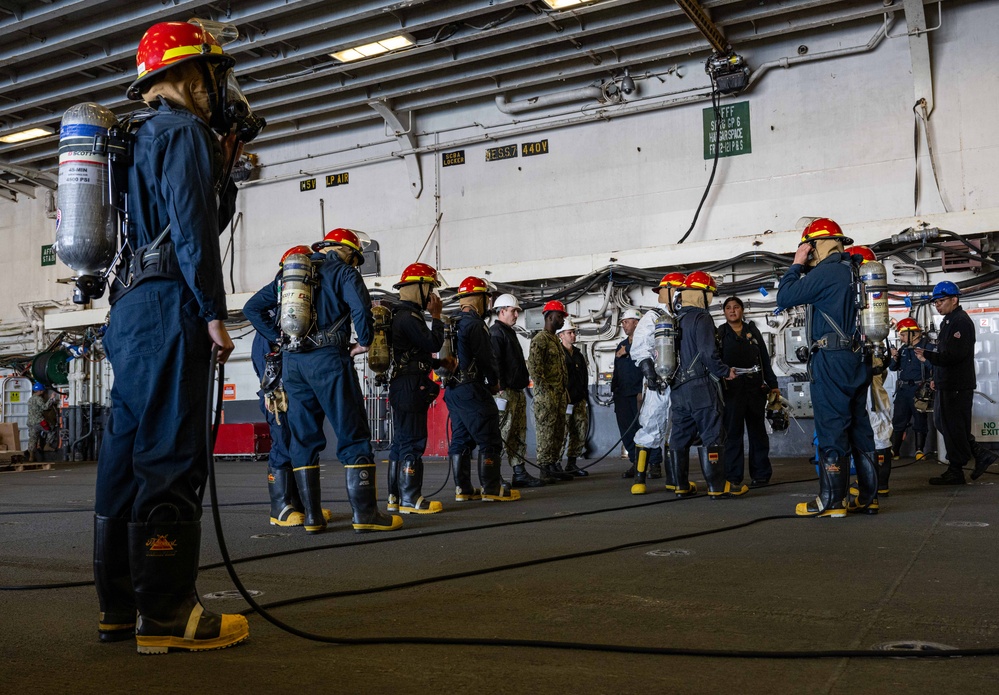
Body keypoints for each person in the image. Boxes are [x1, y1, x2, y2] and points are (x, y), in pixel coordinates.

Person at [93, 20, 253, 653]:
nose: (220, 89)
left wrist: (226, 173)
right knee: (170, 453)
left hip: (127, 311)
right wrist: (212, 312)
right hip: (168, 306)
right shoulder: (184, 130)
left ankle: (119, 606)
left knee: (124, 457)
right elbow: (191, 229)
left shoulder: (132, 140)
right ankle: (167, 617)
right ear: (190, 75)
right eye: (215, 76)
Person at [245, 228, 403, 536]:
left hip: (293, 364)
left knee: (302, 439)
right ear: (347, 253)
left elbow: (252, 308)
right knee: (353, 433)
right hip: (329, 361)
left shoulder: (292, 273)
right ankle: (365, 514)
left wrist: (277, 337)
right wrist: (366, 341)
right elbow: (361, 311)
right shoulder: (343, 272)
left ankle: (313, 518)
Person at [775, 218, 877, 517]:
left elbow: (784, 297)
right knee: (860, 428)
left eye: (808, 247)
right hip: (858, 359)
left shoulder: (828, 271)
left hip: (832, 359)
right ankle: (869, 498)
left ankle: (832, 501)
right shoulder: (852, 270)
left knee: (832, 427)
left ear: (816, 245)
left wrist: (796, 264)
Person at [248, 246, 332, 528]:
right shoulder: (272, 323)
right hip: (279, 396)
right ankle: (280, 507)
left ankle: (302, 505)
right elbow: (266, 367)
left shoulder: (297, 319)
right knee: (282, 445)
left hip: (296, 393)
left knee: (301, 444)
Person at [444, 276, 520, 502]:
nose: (488, 303)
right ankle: (491, 487)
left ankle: (464, 489)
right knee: (489, 436)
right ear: (478, 298)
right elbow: (487, 358)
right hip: (472, 388)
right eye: (487, 297)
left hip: (453, 390)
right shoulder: (476, 324)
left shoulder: (454, 323)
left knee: (461, 438)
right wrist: (494, 382)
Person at [915, 281, 998, 483]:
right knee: (945, 424)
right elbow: (944, 353)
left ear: (954, 300)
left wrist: (928, 357)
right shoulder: (948, 322)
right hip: (947, 382)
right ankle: (978, 454)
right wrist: (936, 376)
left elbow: (954, 355)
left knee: (954, 426)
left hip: (958, 384)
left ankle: (957, 468)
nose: (938, 305)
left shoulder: (960, 322)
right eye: (936, 302)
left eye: (941, 301)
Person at [667, 272, 738, 499]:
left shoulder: (674, 319)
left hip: (677, 388)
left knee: (679, 435)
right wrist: (724, 371)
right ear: (701, 294)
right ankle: (717, 487)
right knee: (712, 433)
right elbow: (708, 352)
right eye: (710, 294)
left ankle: (680, 486)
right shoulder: (701, 318)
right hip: (700, 386)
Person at [384, 262, 446, 515]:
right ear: (418, 287)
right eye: (429, 287)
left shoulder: (399, 316)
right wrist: (437, 316)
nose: (432, 294)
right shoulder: (410, 317)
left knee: (400, 442)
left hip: (402, 383)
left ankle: (395, 497)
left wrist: (440, 363)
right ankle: (411, 499)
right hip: (411, 386)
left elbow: (414, 354)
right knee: (413, 441)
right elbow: (433, 341)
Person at [629, 272, 684, 495]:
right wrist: (649, 373)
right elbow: (640, 347)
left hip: (680, 381)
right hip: (658, 382)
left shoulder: (682, 317)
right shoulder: (652, 317)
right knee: (650, 425)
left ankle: (674, 479)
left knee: (676, 429)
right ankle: (639, 479)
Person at [716, 296, 780, 489]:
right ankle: (733, 476)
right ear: (724, 312)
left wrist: (773, 384)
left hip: (755, 390)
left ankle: (761, 474)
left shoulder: (753, 331)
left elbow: (764, 360)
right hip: (731, 391)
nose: (732, 311)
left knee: (757, 432)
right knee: (733, 434)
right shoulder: (720, 334)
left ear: (742, 310)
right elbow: (715, 363)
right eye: (728, 308)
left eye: (736, 307)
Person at [489, 294, 545, 487]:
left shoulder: (508, 332)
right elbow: (495, 362)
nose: (516, 315)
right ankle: (493, 475)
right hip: (505, 392)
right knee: (502, 434)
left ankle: (519, 472)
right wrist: (501, 389)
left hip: (517, 391)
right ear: (502, 311)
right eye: (513, 311)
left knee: (518, 434)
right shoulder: (496, 333)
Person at [527, 300, 574, 482]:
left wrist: (564, 391)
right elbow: (534, 368)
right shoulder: (540, 339)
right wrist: (544, 391)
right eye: (560, 316)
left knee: (558, 432)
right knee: (546, 431)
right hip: (547, 396)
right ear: (549, 317)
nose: (562, 320)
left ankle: (554, 464)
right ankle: (545, 468)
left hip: (560, 394)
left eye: (563, 317)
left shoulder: (555, 340)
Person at [888, 318, 930, 460]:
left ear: (915, 334)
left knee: (920, 419)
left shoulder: (926, 347)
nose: (901, 338)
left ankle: (919, 450)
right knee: (898, 419)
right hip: (903, 389)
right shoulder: (904, 349)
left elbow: (935, 366)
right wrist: (894, 358)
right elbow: (893, 368)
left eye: (903, 334)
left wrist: (924, 359)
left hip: (919, 389)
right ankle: (895, 450)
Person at [612, 309, 644, 477]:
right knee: (626, 431)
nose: (623, 325)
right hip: (622, 395)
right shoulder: (621, 345)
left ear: (636, 323)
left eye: (626, 321)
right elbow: (617, 371)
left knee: (644, 430)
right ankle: (635, 462)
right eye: (623, 322)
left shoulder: (644, 342)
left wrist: (629, 350)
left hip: (639, 395)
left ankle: (652, 463)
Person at [557, 318, 590, 477]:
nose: (573, 335)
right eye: (570, 332)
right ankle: (556, 464)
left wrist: (584, 396)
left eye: (574, 332)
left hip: (579, 399)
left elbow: (584, 375)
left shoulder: (578, 354)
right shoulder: (558, 354)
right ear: (561, 335)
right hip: (565, 401)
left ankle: (572, 463)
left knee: (579, 432)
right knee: (561, 433)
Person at [26, 382, 59, 462]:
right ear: (40, 391)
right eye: (42, 390)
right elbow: (45, 407)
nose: (43, 392)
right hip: (39, 421)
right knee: (51, 429)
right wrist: (51, 398)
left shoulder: (30, 399)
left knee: (33, 438)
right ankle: (47, 445)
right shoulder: (39, 399)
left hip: (30, 422)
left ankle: (31, 456)